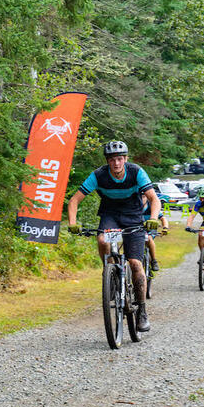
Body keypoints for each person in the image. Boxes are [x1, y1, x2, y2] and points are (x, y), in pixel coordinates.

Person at [66, 140, 161, 332]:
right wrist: (73, 223)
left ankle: (142, 310)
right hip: (110, 216)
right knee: (102, 239)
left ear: (125, 159)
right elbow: (74, 200)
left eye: (119, 159)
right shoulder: (99, 175)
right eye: (112, 160)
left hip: (133, 217)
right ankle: (108, 269)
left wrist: (152, 218)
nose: (116, 163)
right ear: (107, 161)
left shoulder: (136, 172)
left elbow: (153, 198)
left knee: (135, 264)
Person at [142, 195, 169, 271]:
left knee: (148, 238)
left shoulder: (151, 205)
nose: (142, 199)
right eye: (140, 196)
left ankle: (154, 260)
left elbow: (163, 218)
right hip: (138, 229)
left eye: (144, 197)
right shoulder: (134, 205)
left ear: (147, 197)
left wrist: (165, 227)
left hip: (150, 229)